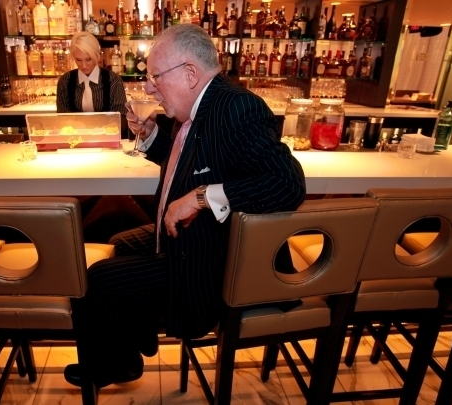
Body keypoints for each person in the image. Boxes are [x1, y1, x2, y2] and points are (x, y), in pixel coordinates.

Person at [64, 24, 306, 389]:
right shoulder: (198, 105)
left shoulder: (236, 106)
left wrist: (200, 197)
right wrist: (151, 135)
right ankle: (135, 340)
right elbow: (189, 162)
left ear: (190, 73)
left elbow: (287, 183)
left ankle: (118, 362)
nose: (148, 88)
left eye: (155, 76)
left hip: (221, 260)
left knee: (99, 279)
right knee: (120, 242)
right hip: (203, 239)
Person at [56, 31, 128, 137]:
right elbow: (62, 118)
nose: (84, 65)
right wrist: (77, 126)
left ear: (96, 55)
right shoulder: (65, 81)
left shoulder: (113, 80)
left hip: (107, 139)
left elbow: (122, 119)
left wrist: (104, 129)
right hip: (75, 139)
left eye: (88, 59)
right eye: (78, 60)